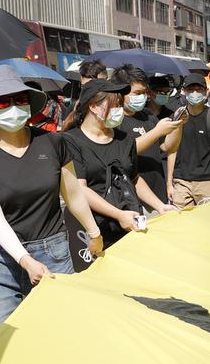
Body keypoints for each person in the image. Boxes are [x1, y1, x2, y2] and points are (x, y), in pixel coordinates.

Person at [0, 65, 103, 348]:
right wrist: (25, 260)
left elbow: (74, 194)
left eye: (20, 99)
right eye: (3, 102)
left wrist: (94, 232)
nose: (13, 107)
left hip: (54, 253)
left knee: (62, 343)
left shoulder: (53, 142)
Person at [63, 79, 175, 248]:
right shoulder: (71, 141)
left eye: (120, 105)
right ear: (93, 107)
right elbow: (80, 190)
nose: (120, 111)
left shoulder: (124, 139)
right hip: (92, 231)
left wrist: (160, 206)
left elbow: (134, 178)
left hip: (129, 224)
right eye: (115, 105)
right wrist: (118, 215)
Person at [110, 65, 183, 205]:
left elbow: (167, 147)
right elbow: (124, 151)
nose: (142, 97)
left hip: (157, 191)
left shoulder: (148, 115)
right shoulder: (113, 119)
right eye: (137, 93)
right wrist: (157, 132)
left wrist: (177, 126)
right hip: (132, 197)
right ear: (120, 92)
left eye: (144, 92)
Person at [166, 74, 210, 207]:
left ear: (206, 92)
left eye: (199, 89)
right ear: (184, 92)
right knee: (181, 224)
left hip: (208, 183)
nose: (195, 93)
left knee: (208, 225)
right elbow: (172, 150)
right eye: (191, 89)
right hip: (181, 183)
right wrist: (169, 183)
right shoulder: (177, 117)